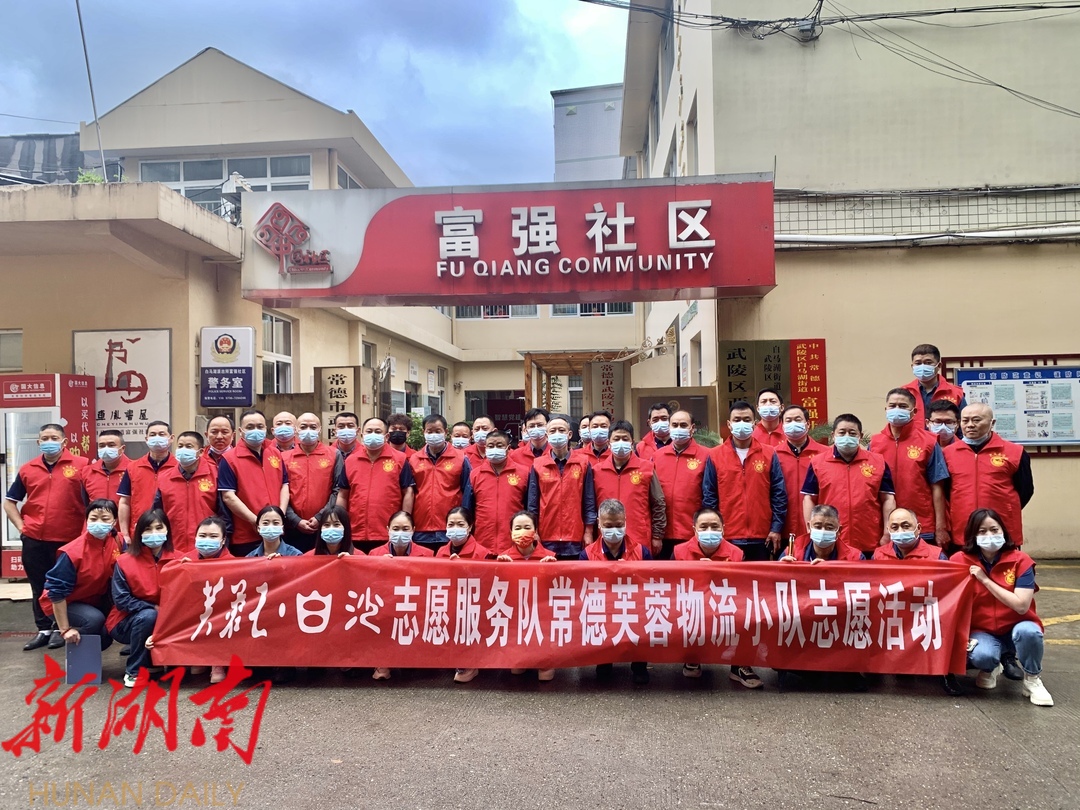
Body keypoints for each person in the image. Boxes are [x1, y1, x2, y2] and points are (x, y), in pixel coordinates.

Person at [952, 508, 1052, 706]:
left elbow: (1021, 606)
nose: (989, 535)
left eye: (994, 529)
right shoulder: (958, 561)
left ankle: (1032, 679)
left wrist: (984, 580)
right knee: (983, 656)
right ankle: (991, 667)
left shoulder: (1021, 561)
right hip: (982, 630)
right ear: (973, 535)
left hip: (1018, 625)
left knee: (1029, 633)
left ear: (1003, 531)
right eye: (982, 531)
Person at [4, 423, 90, 651]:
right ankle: (43, 629)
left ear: (64, 442)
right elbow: (9, 502)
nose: (49, 442)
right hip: (35, 539)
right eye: (44, 438)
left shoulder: (81, 465)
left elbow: (92, 500)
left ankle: (61, 628)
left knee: (64, 585)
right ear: (38, 442)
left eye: (54, 438)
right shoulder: (28, 469)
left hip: (69, 540)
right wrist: (22, 527)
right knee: (38, 585)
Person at [802, 414, 896, 557]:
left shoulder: (878, 462)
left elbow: (888, 498)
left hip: (869, 539)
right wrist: (811, 531)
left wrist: (887, 533)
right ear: (833, 435)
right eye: (842, 432)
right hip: (830, 541)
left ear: (860, 436)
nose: (847, 436)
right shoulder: (817, 463)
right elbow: (809, 498)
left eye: (852, 433)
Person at [703, 401, 786, 561]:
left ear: (754, 423)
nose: (742, 423)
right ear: (729, 424)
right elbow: (709, 497)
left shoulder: (769, 454)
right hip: (728, 535)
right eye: (737, 420)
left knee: (759, 577)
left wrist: (776, 528)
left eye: (747, 420)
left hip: (762, 535)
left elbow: (779, 494)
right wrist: (714, 530)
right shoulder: (715, 455)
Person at [580, 499, 651, 685]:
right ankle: (604, 662)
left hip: (634, 604)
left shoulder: (641, 551)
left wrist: (630, 573)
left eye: (619, 525)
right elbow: (583, 587)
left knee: (643, 620)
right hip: (603, 605)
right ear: (599, 524)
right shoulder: (587, 554)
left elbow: (652, 584)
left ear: (625, 522)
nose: (614, 530)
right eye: (608, 526)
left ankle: (639, 666)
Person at [944, 403, 1033, 548]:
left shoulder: (1015, 452)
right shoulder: (948, 453)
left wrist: (1007, 507)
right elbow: (945, 491)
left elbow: (1025, 490)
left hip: (1002, 526)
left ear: (992, 423)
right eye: (965, 420)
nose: (970, 425)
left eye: (976, 420)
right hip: (963, 525)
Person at [868, 389, 950, 545]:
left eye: (903, 406)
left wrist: (940, 527)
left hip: (922, 524)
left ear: (914, 411)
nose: (897, 409)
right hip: (886, 527)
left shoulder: (929, 442)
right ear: (886, 409)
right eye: (892, 406)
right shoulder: (874, 443)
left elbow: (937, 486)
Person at [107, 509, 178, 688]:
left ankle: (157, 661)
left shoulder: (180, 559)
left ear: (167, 530)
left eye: (159, 528)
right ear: (139, 533)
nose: (154, 533)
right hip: (127, 622)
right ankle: (134, 670)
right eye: (148, 529)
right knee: (148, 616)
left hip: (168, 621)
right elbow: (121, 600)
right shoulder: (124, 561)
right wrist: (153, 607)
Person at [41, 498, 123, 652]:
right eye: (93, 518)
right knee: (94, 620)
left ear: (114, 522)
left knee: (105, 635)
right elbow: (56, 592)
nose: (99, 523)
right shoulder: (72, 552)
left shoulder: (118, 541)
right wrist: (65, 629)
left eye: (105, 519)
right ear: (86, 520)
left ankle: (88, 654)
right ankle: (78, 658)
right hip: (64, 602)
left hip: (91, 599)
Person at [675, 507, 744, 681]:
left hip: (725, 604)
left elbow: (744, 588)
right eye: (704, 527)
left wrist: (717, 573)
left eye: (714, 526)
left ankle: (740, 666)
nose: (709, 531)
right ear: (694, 530)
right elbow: (670, 585)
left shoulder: (737, 554)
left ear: (723, 529)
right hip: (693, 603)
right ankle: (692, 657)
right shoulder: (679, 552)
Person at [368, 511, 433, 681]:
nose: (400, 533)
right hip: (386, 605)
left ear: (413, 530)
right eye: (396, 529)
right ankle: (382, 662)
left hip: (415, 605)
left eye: (405, 529)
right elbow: (369, 585)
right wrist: (380, 567)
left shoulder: (427, 555)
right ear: (388, 529)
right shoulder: (374, 554)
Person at [218, 409, 290, 556]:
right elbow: (228, 496)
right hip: (246, 536)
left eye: (260, 426)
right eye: (250, 427)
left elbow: (284, 485)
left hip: (276, 533)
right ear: (241, 431)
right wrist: (257, 522)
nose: (255, 430)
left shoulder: (275, 453)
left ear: (266, 429)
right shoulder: (229, 459)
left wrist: (279, 516)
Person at [435, 506, 494, 684]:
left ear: (470, 527)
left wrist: (464, 569)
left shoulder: (483, 553)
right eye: (451, 524)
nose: (455, 528)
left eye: (460, 524)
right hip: (447, 602)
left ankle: (469, 664)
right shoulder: (441, 552)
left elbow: (487, 585)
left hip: (473, 604)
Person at [495, 511, 556, 682]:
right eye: (517, 528)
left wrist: (551, 571)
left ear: (535, 531)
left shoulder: (550, 557)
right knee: (516, 670)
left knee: (544, 675)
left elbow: (557, 591)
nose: (522, 531)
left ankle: (546, 662)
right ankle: (520, 657)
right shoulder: (504, 558)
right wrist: (500, 570)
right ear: (511, 533)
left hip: (541, 611)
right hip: (517, 611)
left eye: (527, 527)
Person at [526, 415, 596, 559]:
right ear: (547, 435)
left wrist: (588, 532)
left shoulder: (583, 463)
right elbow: (532, 504)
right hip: (546, 535)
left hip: (575, 536)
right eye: (553, 431)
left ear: (569, 434)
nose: (557, 434)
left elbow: (589, 501)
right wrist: (534, 531)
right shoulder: (538, 464)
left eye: (561, 430)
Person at [592, 420, 666, 557]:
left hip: (639, 537)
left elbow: (658, 503)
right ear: (609, 443)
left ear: (632, 442)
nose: (621, 442)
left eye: (625, 439)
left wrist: (657, 535)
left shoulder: (647, 468)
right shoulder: (597, 471)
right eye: (616, 439)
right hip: (606, 539)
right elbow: (591, 506)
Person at [337, 416, 408, 552]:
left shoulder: (400, 459)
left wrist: (404, 521)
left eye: (378, 431)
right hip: (355, 531)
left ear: (386, 436)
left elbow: (408, 492)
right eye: (369, 431)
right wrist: (340, 522)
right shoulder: (351, 460)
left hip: (388, 532)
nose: (373, 434)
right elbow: (342, 494)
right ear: (362, 435)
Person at [401, 414, 471, 551]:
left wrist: (465, 522)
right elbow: (409, 492)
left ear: (446, 432)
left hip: (451, 528)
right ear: (423, 432)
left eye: (438, 431)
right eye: (429, 431)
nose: (433, 435)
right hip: (420, 528)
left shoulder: (461, 458)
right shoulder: (414, 459)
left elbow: (468, 492)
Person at [652, 410, 709, 559]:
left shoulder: (706, 456)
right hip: (662, 535)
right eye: (675, 425)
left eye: (683, 425)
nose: (678, 429)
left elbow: (710, 496)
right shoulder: (657, 456)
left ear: (692, 428)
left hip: (692, 533)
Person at [461, 430, 529, 554]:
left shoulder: (524, 473)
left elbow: (529, 507)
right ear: (486, 448)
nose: (495, 449)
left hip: (515, 539)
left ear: (508, 448)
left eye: (499, 445)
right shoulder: (475, 474)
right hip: (482, 540)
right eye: (491, 446)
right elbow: (467, 509)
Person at [182, 516, 231, 684]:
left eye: (213, 536)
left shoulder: (233, 564)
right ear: (195, 537)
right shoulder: (184, 560)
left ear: (223, 540)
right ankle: (198, 656)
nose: (207, 540)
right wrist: (183, 571)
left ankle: (218, 662)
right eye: (202, 536)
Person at [282, 412, 340, 553]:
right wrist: (296, 520)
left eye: (313, 427)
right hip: (292, 528)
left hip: (325, 526)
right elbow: (281, 491)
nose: (308, 430)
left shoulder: (334, 454)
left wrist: (320, 517)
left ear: (320, 429)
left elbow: (338, 490)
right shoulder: (284, 458)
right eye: (303, 427)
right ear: (296, 430)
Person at [153, 431, 218, 556]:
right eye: (180, 446)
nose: (183, 450)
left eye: (189, 446)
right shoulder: (164, 477)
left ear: (200, 452)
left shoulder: (215, 474)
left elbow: (224, 514)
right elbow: (157, 512)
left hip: (207, 546)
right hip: (173, 546)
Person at [774, 405, 828, 546]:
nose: (793, 424)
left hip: (818, 530)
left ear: (807, 424)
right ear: (782, 426)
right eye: (788, 420)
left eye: (798, 419)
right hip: (782, 529)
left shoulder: (825, 454)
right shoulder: (773, 455)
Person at [117, 421, 176, 541]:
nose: (157, 438)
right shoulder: (133, 467)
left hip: (171, 533)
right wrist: (125, 534)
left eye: (161, 434)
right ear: (146, 439)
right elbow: (124, 502)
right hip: (140, 531)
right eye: (152, 434)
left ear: (171, 438)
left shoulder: (179, 467)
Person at [902, 343, 966, 422]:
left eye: (928, 363)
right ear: (912, 366)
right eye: (918, 363)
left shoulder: (956, 393)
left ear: (939, 366)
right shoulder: (904, 393)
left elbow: (963, 423)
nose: (923, 366)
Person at [780, 504, 863, 563]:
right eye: (818, 527)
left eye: (829, 528)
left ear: (839, 530)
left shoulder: (855, 558)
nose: (823, 531)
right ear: (809, 527)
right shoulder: (792, 553)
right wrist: (781, 569)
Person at [873, 507, 948, 561]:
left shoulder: (937, 557)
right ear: (888, 530)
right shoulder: (878, 556)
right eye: (895, 527)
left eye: (906, 526)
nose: (900, 531)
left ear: (918, 528)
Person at [81, 430, 130, 504]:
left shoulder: (133, 470)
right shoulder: (87, 472)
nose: (106, 449)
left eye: (111, 445)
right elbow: (85, 503)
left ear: (122, 448)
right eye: (102, 446)